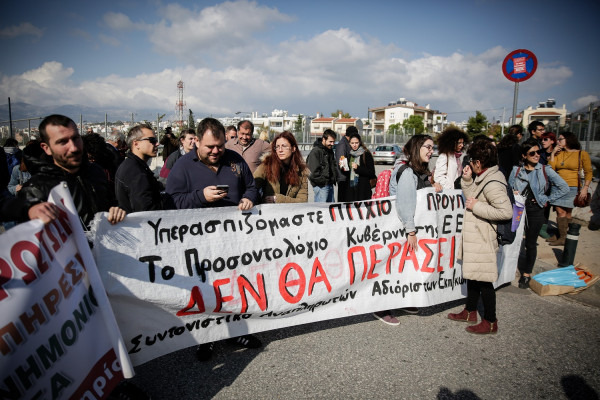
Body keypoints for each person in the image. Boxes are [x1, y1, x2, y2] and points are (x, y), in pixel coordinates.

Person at [165, 117, 261, 361]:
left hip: (233, 241)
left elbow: (251, 186)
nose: (217, 151)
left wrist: (249, 197)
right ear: (197, 141)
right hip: (199, 244)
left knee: (235, 287)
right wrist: (200, 197)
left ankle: (235, 332)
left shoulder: (235, 160)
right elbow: (171, 201)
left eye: (220, 145)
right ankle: (206, 338)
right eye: (210, 147)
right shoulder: (183, 166)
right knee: (205, 291)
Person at [12, 114, 125, 228]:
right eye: (63, 142)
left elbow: (111, 204)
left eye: (76, 138)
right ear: (46, 148)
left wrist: (116, 211)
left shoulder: (96, 172)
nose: (74, 148)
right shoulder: (35, 189)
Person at [447, 139, 512, 334]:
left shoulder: (492, 182)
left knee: (484, 281)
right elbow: (472, 197)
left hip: (483, 237)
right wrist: (467, 181)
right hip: (476, 236)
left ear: (478, 162)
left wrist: (477, 207)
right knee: (474, 276)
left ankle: (491, 321)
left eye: (472, 160)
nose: (470, 164)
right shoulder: (485, 175)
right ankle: (470, 310)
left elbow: (505, 212)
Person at [374, 134, 441, 325]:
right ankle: (382, 307)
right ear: (416, 148)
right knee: (393, 267)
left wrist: (433, 186)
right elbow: (405, 204)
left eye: (432, 147)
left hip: (409, 229)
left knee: (406, 266)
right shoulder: (407, 172)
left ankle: (403, 299)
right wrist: (411, 231)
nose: (431, 151)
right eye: (427, 147)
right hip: (401, 229)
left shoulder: (419, 171)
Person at [508, 139, 569, 289]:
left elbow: (564, 187)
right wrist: (512, 192)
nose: (537, 155)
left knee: (530, 242)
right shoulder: (516, 169)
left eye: (539, 152)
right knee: (511, 239)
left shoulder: (544, 169)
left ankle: (526, 274)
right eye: (532, 153)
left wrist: (546, 199)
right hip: (518, 209)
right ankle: (507, 270)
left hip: (536, 211)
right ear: (524, 155)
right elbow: (508, 188)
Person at [547, 132, 593, 246]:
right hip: (557, 186)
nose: (558, 141)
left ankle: (563, 236)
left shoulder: (582, 154)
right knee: (560, 211)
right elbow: (551, 168)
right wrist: (553, 153)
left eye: (560, 139)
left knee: (567, 213)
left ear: (568, 140)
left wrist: (585, 188)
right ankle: (562, 236)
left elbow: (588, 172)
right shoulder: (559, 153)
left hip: (572, 186)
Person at [115, 124, 165, 213]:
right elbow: (146, 211)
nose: (157, 144)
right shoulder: (135, 172)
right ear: (136, 144)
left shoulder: (133, 165)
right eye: (152, 140)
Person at [253, 131, 309, 203]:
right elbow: (252, 188)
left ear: (293, 148)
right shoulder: (266, 166)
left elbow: (303, 201)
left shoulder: (301, 171)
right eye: (277, 147)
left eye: (284, 146)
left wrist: (279, 199)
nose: (280, 150)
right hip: (269, 212)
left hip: (291, 213)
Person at [306, 129, 337, 202]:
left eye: (333, 142)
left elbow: (332, 166)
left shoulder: (329, 150)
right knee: (321, 209)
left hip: (329, 185)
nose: (332, 144)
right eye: (330, 141)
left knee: (330, 210)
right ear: (324, 139)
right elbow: (312, 172)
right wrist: (323, 182)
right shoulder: (316, 152)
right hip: (321, 187)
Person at [346, 131, 376, 201]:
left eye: (356, 143)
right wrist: (343, 167)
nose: (354, 145)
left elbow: (371, 172)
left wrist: (358, 168)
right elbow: (349, 172)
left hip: (363, 189)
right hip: (351, 189)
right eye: (352, 143)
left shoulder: (366, 154)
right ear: (349, 144)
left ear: (360, 142)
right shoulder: (350, 155)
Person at [335, 126, 354, 202]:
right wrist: (348, 172)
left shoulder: (346, 143)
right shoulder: (342, 144)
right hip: (343, 177)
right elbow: (342, 162)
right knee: (343, 200)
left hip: (345, 176)